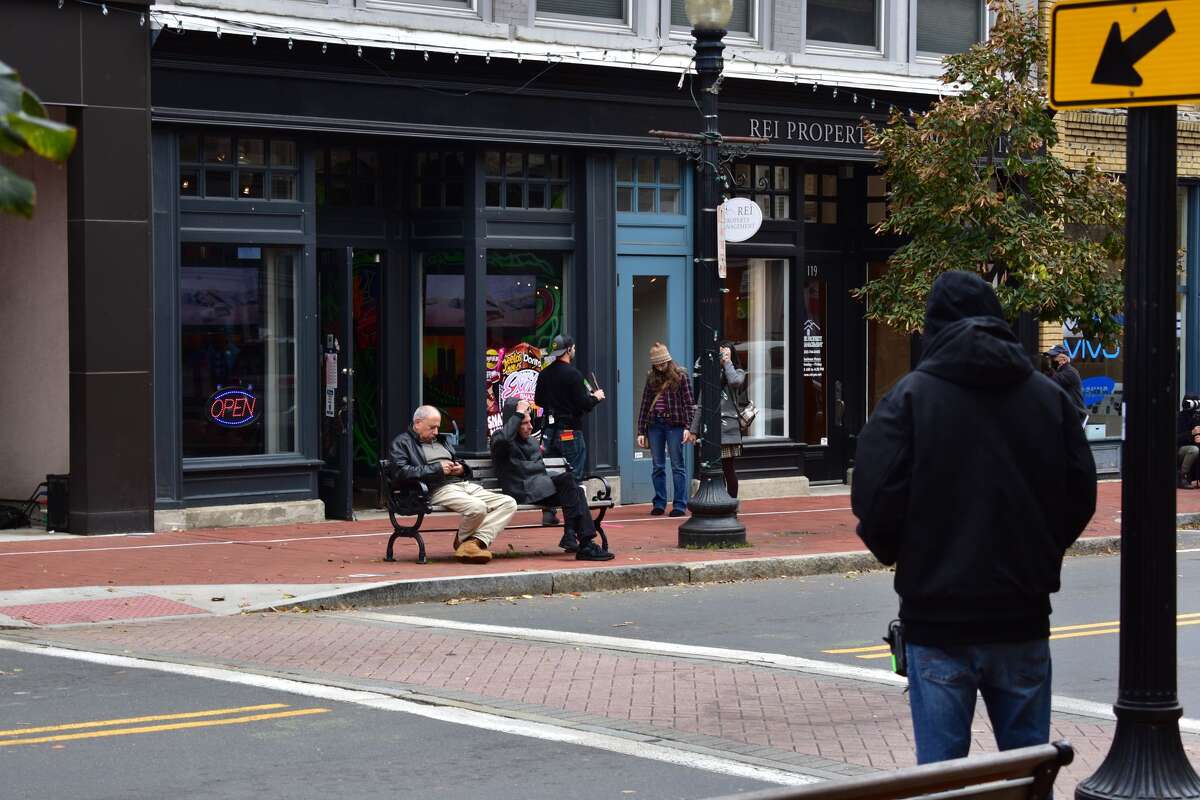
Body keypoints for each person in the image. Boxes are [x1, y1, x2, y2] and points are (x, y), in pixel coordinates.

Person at [851, 270, 1097, 765]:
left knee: (941, 778)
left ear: (933, 326)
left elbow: (874, 498)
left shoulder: (910, 398)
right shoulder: (1048, 399)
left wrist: (908, 556)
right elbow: (1080, 494)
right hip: (1022, 613)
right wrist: (1042, 549)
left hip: (937, 615)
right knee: (1027, 774)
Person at [390, 405, 517, 565]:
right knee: (477, 507)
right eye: (432, 427)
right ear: (417, 423)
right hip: (437, 488)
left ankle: (473, 542)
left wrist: (461, 469)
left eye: (438, 427)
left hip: (462, 485)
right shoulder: (402, 443)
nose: (436, 432)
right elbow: (401, 473)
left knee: (508, 503)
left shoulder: (441, 440)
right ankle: (466, 543)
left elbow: (458, 461)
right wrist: (436, 469)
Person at [491, 398, 615, 561]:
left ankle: (584, 542)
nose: (530, 427)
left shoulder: (531, 442)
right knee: (568, 482)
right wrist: (518, 413)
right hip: (522, 490)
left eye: (530, 422)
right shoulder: (501, 439)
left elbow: (539, 473)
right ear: (513, 421)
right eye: (524, 423)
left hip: (540, 489)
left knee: (575, 489)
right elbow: (504, 440)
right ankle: (573, 536)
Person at [636, 342, 696, 516]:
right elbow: (645, 405)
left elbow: (689, 404)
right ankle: (659, 503)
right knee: (658, 466)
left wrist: (688, 427)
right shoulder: (651, 378)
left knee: (677, 466)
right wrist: (641, 431)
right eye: (657, 364)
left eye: (663, 364)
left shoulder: (681, 377)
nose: (661, 367)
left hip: (675, 425)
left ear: (669, 361)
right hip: (655, 425)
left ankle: (679, 505)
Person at [535, 334, 605, 481]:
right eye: (573, 348)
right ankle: (571, 503)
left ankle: (553, 504)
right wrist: (596, 397)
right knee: (574, 475)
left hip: (549, 431)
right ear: (568, 350)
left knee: (551, 474)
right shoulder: (574, 375)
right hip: (569, 432)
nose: (574, 350)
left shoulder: (544, 374)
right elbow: (583, 404)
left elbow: (538, 400)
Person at [690, 342, 747, 498]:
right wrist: (693, 430)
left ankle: (732, 502)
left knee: (728, 469)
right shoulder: (710, 374)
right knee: (714, 470)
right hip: (710, 430)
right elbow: (701, 404)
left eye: (726, 354)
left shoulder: (739, 372)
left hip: (729, 429)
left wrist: (727, 362)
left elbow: (735, 382)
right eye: (721, 354)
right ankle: (718, 500)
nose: (722, 357)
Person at [1044, 344, 1086, 421]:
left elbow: (1049, 383)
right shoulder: (1059, 371)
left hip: (1074, 417)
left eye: (1053, 357)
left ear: (1063, 360)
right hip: (1066, 415)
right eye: (1049, 357)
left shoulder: (1070, 372)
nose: (1050, 360)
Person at [1178, 394, 1200, 489]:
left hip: (1194, 446)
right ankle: (1182, 476)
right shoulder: (1179, 417)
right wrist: (1191, 433)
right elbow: (1176, 438)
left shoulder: (1197, 417)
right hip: (1180, 449)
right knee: (1193, 449)